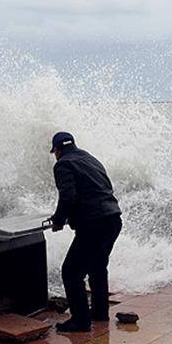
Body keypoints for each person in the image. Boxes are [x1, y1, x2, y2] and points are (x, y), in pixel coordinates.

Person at [49, 131, 122, 332]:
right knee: (98, 267)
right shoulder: (91, 159)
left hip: (94, 224)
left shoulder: (63, 164)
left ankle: (80, 321)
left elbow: (68, 195)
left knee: (71, 271)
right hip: (113, 219)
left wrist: (58, 220)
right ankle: (99, 313)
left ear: (57, 150)